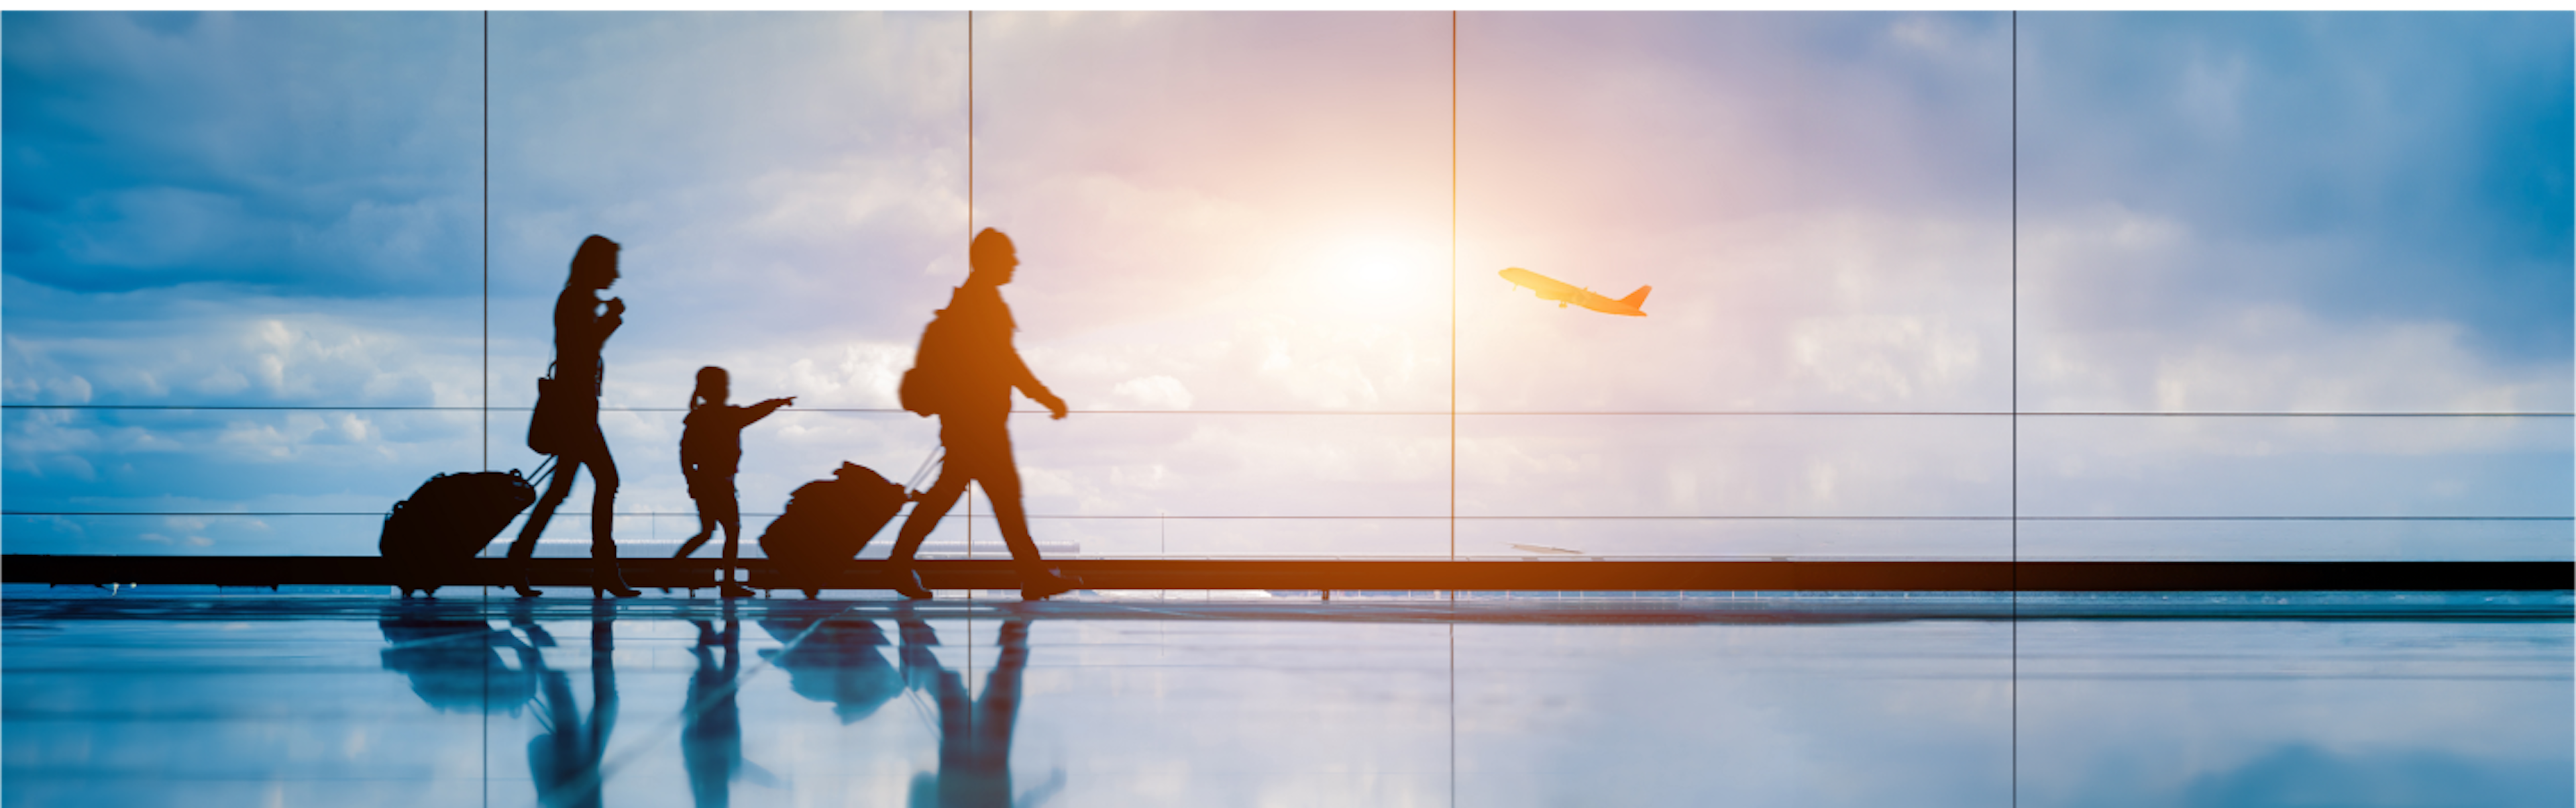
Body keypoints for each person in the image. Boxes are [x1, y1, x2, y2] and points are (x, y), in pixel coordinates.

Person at [886, 228, 1075, 601]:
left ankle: (898, 563)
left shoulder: (970, 303)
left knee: (955, 497)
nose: (1015, 263)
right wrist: (1046, 397)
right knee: (1002, 498)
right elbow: (1008, 363)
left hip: (967, 423)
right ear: (989, 260)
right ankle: (1033, 576)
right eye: (1008, 257)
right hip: (980, 426)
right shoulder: (984, 305)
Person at [509, 235, 639, 598]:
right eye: (611, 265)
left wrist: (607, 317)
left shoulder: (576, 299)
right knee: (607, 480)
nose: (616, 274)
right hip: (577, 412)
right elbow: (583, 350)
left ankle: (519, 559)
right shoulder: (577, 300)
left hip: (576, 411)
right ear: (595, 266)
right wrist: (612, 318)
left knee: (559, 491)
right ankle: (604, 571)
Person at [672, 366, 793, 597]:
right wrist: (778, 402)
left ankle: (672, 569)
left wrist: (692, 483)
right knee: (731, 530)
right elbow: (756, 412)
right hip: (721, 484)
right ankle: (726, 582)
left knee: (708, 531)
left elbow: (685, 455)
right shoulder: (729, 416)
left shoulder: (697, 418)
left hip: (704, 483)